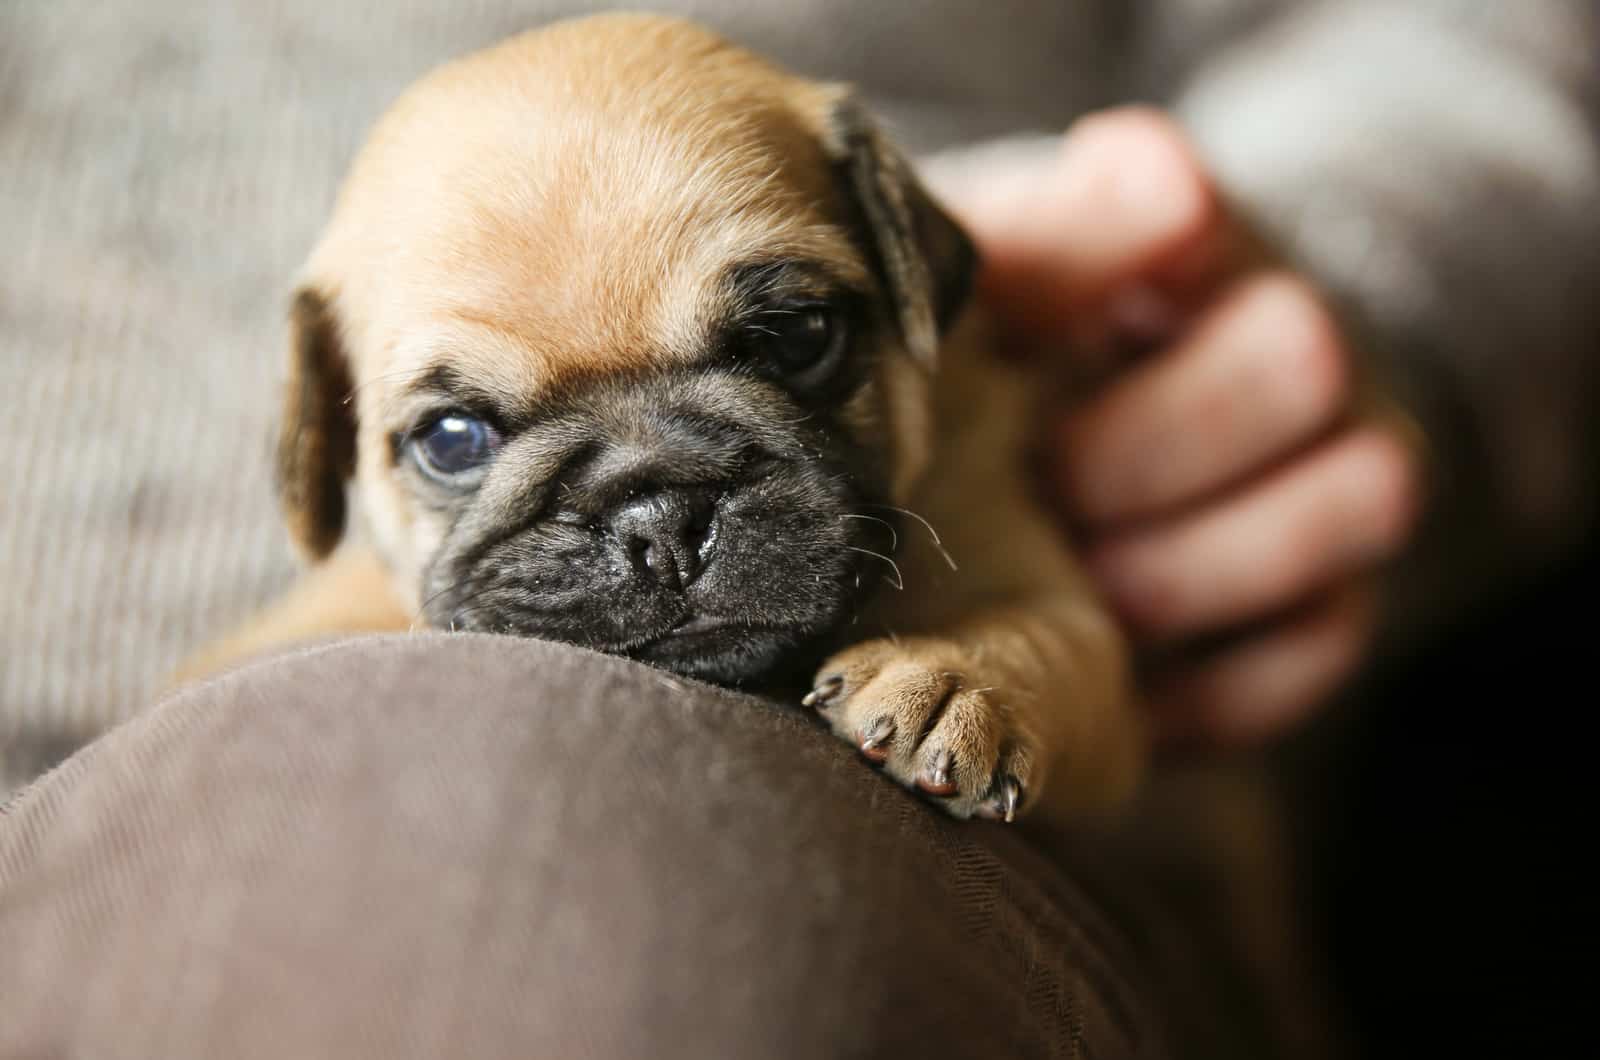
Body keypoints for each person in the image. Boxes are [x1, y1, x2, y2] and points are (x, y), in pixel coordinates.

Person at [2, 3, 1595, 1057]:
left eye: (778, 344)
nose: (651, 526)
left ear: (913, 270)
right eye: (464, 436)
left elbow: (1074, 667)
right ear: (324, 457)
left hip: (916, 863)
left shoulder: (971, 441)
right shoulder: (332, 601)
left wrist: (1360, 278)